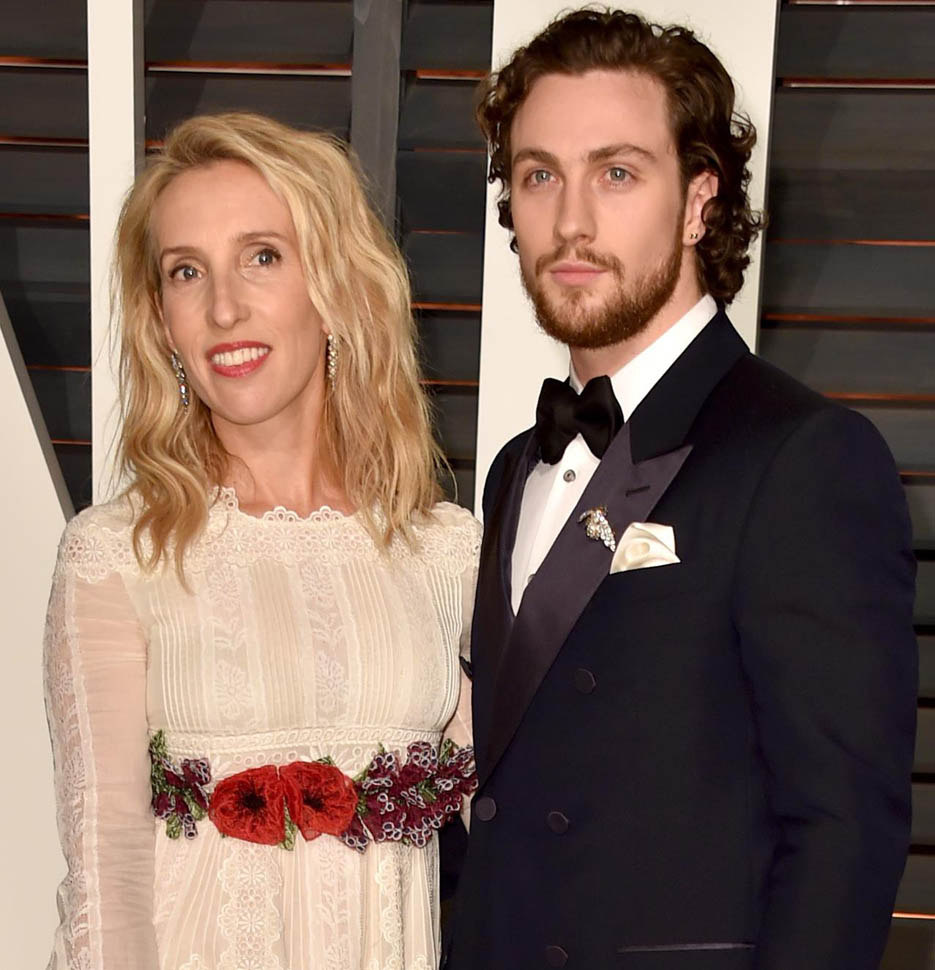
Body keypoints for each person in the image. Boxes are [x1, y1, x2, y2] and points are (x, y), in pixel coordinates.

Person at [446, 9, 917, 970]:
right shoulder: (512, 470)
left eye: (616, 173)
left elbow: (843, 837)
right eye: (539, 176)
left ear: (699, 201)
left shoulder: (804, 457)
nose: (571, 222)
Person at [43, 112, 480, 970]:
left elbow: (514, 824)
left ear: (336, 287)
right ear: (161, 319)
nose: (223, 307)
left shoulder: (444, 553)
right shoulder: (117, 557)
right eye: (186, 272)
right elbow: (105, 877)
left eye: (263, 257)